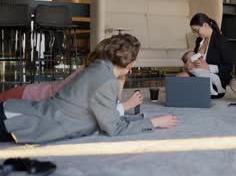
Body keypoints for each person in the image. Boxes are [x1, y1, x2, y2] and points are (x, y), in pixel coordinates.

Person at [0, 34, 179, 143]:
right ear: (131, 63)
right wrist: (155, 123)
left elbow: (107, 112)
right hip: (23, 122)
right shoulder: (106, 80)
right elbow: (114, 128)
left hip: (21, 111)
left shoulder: (98, 67)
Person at [0, 38, 143, 115]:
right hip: (28, 96)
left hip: (33, 94)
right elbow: (106, 114)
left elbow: (111, 105)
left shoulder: (99, 73)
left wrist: (120, 79)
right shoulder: (90, 74)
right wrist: (127, 105)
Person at [187, 13, 234, 98]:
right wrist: (190, 64)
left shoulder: (221, 41)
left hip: (216, 79)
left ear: (205, 25)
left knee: (189, 88)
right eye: (194, 32)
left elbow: (229, 67)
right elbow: (194, 58)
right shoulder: (199, 41)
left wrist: (208, 67)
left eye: (197, 31)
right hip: (199, 75)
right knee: (182, 77)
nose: (196, 34)